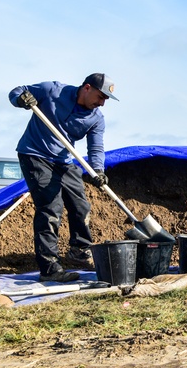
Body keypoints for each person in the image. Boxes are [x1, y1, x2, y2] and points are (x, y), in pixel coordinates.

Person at [9, 74, 117, 282]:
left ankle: (79, 249)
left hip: (64, 161)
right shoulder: (52, 91)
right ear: (87, 88)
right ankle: (49, 268)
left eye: (105, 99)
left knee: (81, 205)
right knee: (50, 208)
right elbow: (16, 91)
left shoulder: (96, 118)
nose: (102, 103)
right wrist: (21, 99)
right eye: (100, 96)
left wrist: (98, 171)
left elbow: (96, 147)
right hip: (35, 154)